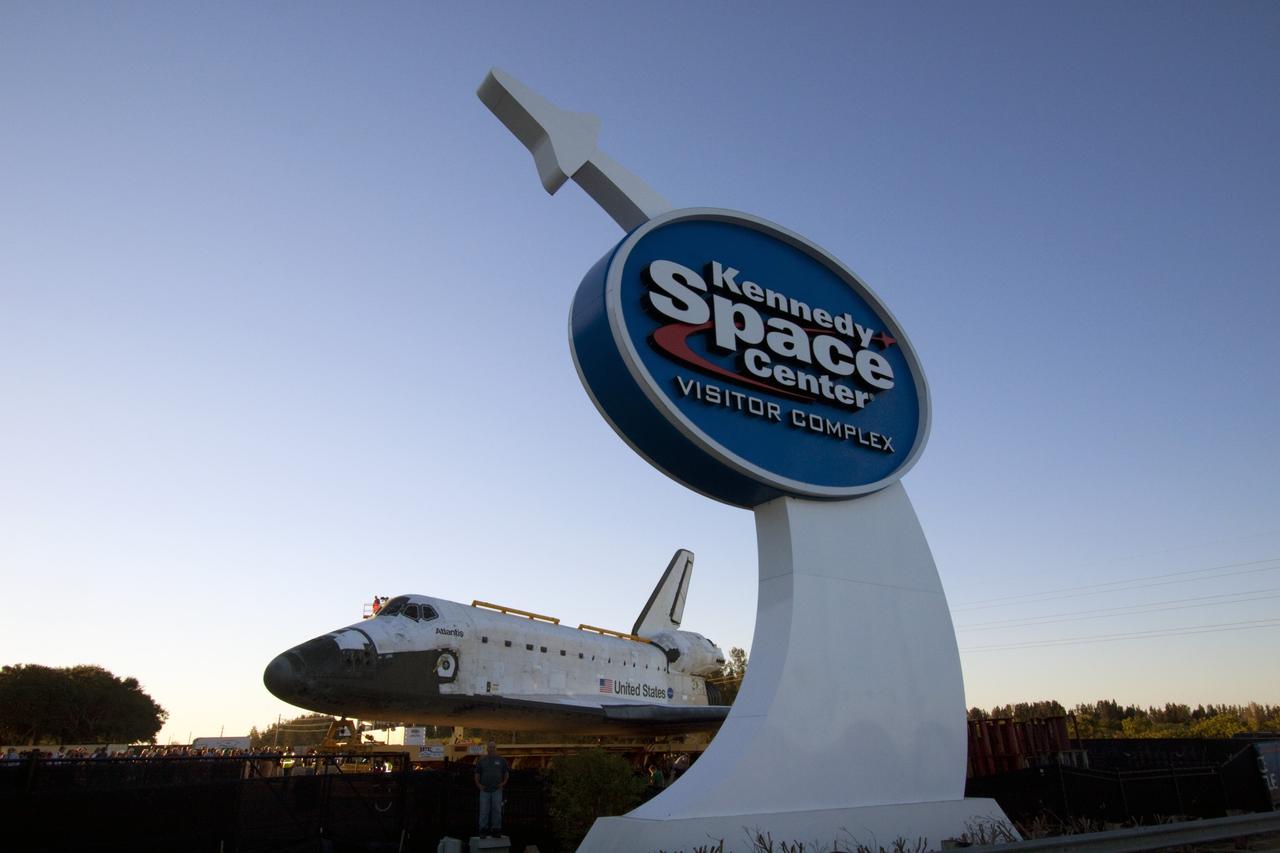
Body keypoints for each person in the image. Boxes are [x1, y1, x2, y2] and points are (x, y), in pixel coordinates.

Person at [473, 741, 510, 837]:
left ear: (496, 749)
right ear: (487, 748)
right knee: (484, 811)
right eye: (490, 747)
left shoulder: (501, 760)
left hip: (497, 790)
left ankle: (496, 829)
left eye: (493, 747)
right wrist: (479, 785)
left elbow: (506, 773)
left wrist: (503, 783)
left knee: (497, 810)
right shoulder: (482, 760)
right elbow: (477, 774)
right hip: (484, 790)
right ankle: (483, 830)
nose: (492, 749)